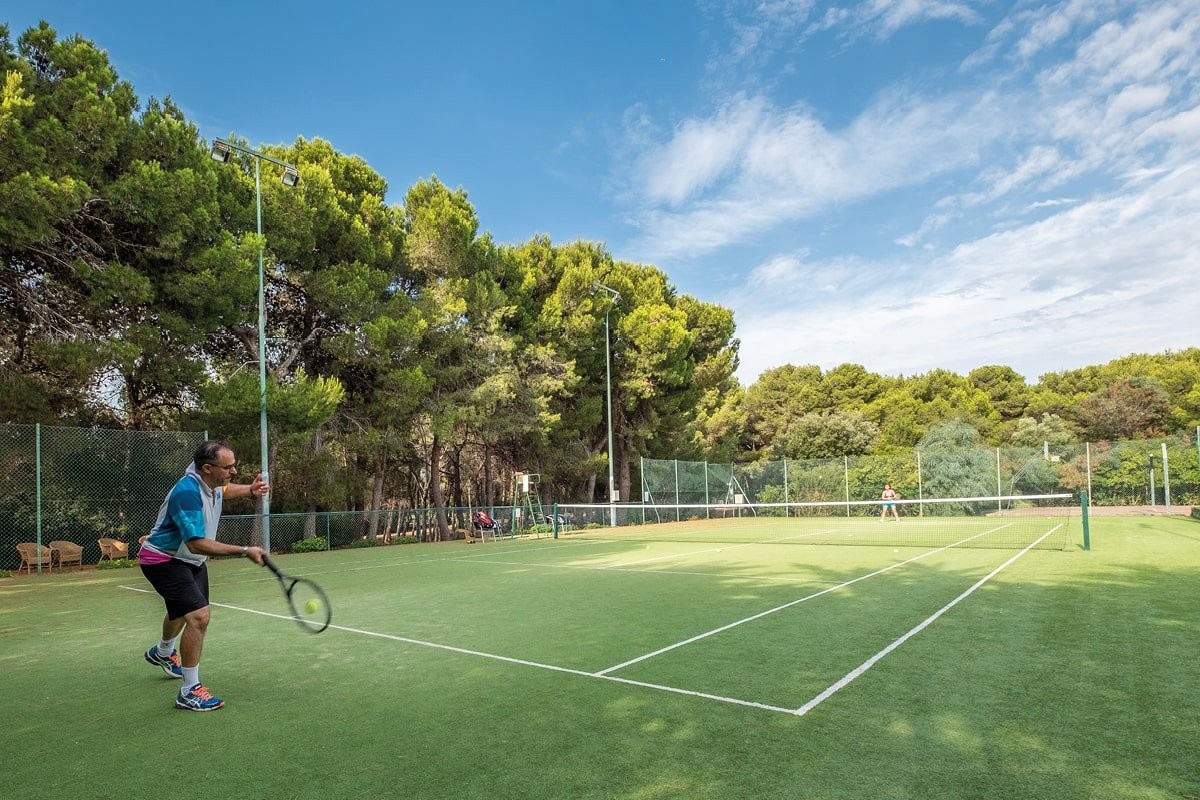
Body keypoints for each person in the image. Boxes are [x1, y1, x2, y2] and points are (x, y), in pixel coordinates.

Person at [139, 440, 268, 711]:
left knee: (180, 612)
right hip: (164, 559)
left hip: (190, 560)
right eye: (228, 467)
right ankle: (189, 691)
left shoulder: (209, 482)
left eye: (234, 466)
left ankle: (162, 653)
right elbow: (196, 542)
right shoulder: (187, 492)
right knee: (198, 616)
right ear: (207, 468)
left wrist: (250, 490)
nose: (233, 471)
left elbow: (224, 489)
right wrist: (245, 550)